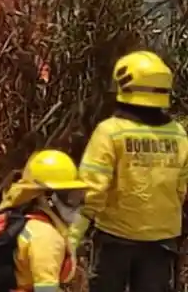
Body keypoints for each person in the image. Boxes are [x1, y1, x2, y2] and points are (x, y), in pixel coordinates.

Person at [73, 50, 188, 292]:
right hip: (161, 242)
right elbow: (181, 189)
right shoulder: (178, 133)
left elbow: (92, 190)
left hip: (115, 239)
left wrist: (73, 235)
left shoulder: (110, 131)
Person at [0, 150, 88, 292]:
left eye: (77, 196)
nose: (77, 205)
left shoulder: (23, 224)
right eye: (70, 197)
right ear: (47, 197)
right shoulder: (46, 236)